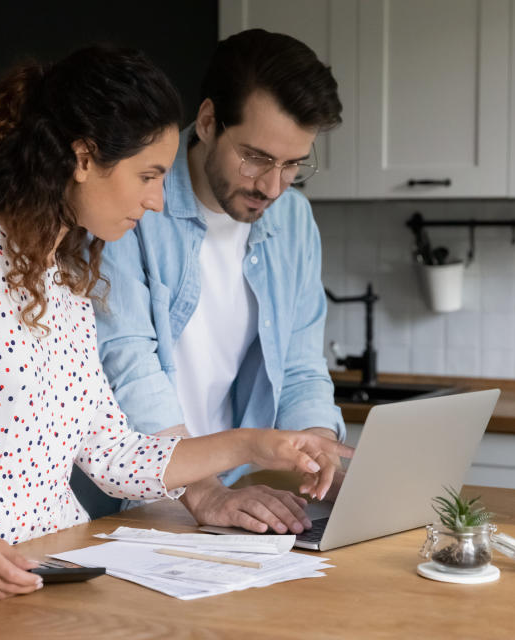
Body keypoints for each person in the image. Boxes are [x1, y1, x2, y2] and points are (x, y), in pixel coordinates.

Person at [0, 45, 352, 600]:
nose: (157, 201)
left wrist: (255, 446)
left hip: (53, 577)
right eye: (148, 175)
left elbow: (113, 456)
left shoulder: (70, 281)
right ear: (84, 159)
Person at [94, 30, 345, 536]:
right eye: (255, 157)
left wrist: (319, 448)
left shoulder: (293, 220)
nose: (272, 186)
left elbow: (299, 363)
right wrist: (203, 490)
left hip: (229, 498)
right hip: (133, 497)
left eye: (293, 164)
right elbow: (127, 362)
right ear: (208, 121)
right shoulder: (131, 206)